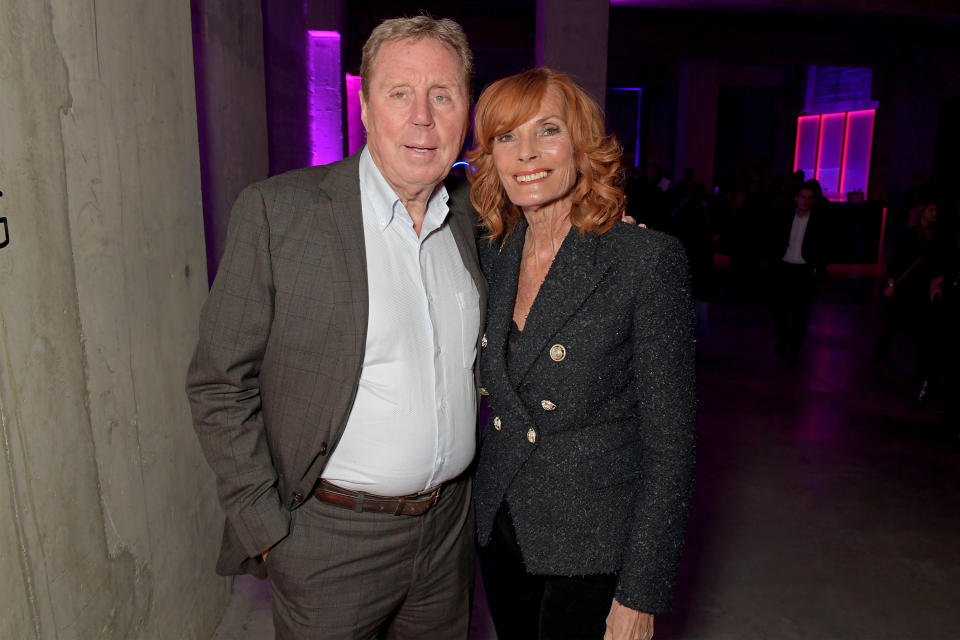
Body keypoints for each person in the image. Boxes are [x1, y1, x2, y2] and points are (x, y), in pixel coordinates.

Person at [186, 16, 486, 639]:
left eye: (443, 94)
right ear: (367, 110)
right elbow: (220, 383)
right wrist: (266, 531)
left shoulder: (471, 226)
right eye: (399, 93)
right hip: (329, 542)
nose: (422, 117)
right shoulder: (279, 214)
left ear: (466, 113)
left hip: (449, 536)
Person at [466, 67, 696, 640]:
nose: (525, 154)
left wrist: (639, 593)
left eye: (547, 131)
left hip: (594, 543)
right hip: (502, 526)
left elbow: (671, 445)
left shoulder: (644, 260)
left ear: (582, 145)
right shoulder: (491, 253)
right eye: (505, 137)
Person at [769, 179, 829, 366]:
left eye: (810, 198)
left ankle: (794, 349)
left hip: (805, 271)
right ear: (796, 198)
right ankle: (783, 339)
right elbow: (774, 238)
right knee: (779, 309)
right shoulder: (784, 216)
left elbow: (826, 246)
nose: (806, 201)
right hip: (785, 268)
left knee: (800, 314)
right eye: (803, 197)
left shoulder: (819, 221)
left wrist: (817, 269)